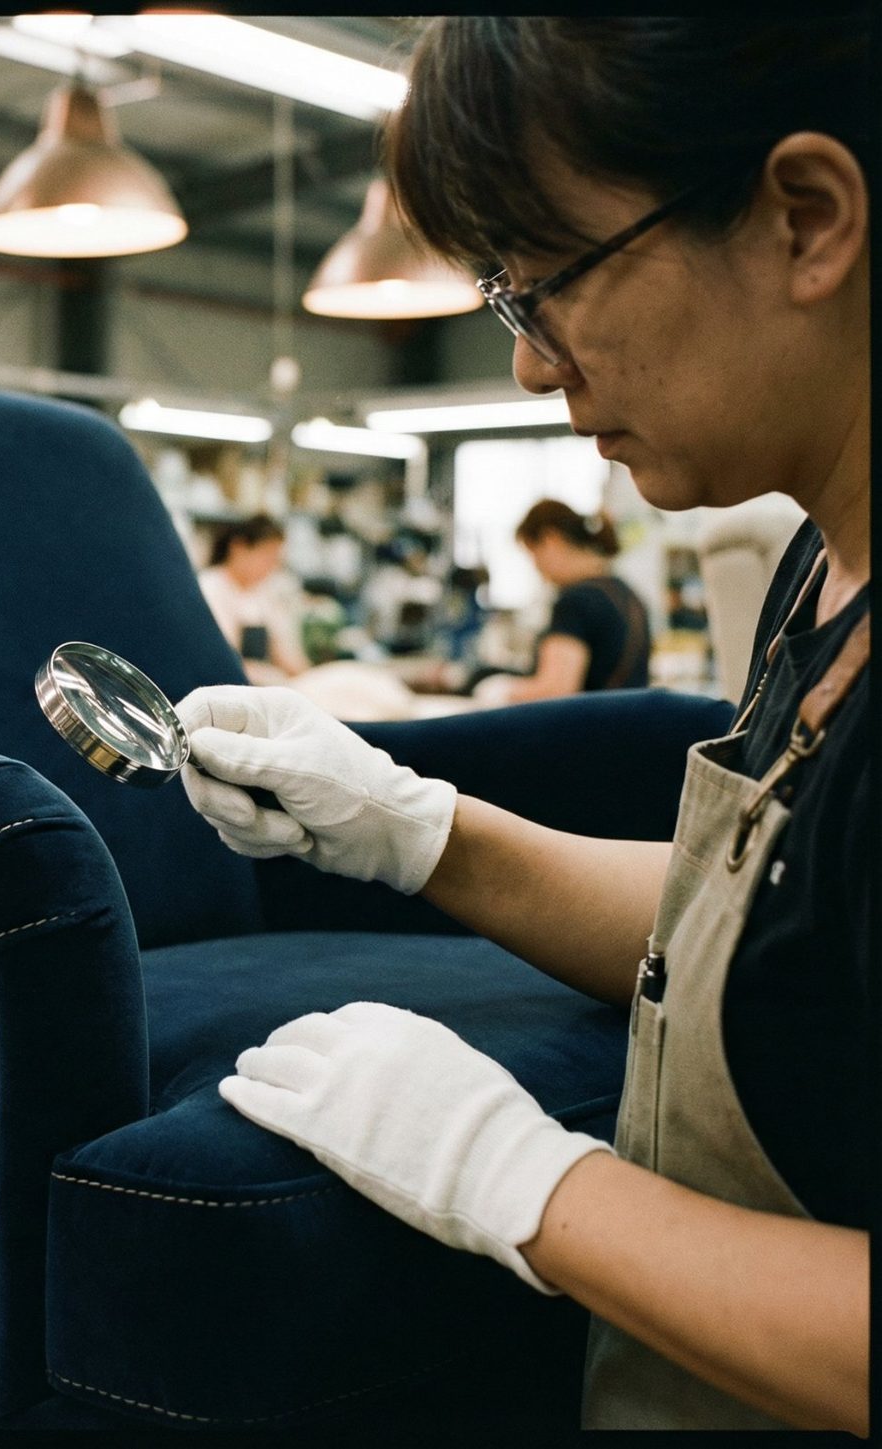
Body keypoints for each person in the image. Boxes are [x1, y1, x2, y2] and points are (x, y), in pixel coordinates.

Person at [175, 16, 869, 1434]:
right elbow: (775, 944)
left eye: (543, 280)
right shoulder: (823, 571)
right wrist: (420, 831)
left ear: (805, 219)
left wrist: (533, 1186)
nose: (531, 367)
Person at [475, 500, 651, 705]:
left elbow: (556, 690)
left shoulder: (577, 601)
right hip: (625, 729)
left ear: (551, 540)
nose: (538, 569)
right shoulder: (628, 595)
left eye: (533, 555)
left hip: (587, 731)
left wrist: (500, 689)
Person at [195, 514, 310, 684]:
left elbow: (286, 655)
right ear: (239, 548)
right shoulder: (210, 587)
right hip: (223, 685)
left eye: (276, 560)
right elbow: (224, 659)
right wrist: (272, 676)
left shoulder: (264, 593)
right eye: (267, 557)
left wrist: (310, 677)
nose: (272, 567)